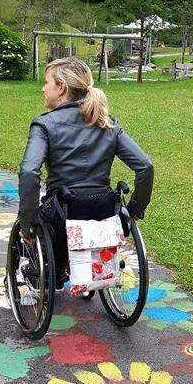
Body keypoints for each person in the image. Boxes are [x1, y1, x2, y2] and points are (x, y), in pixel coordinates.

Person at [18, 57, 154, 289]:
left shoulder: (45, 125)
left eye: (46, 82)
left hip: (62, 213)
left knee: (33, 221)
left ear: (61, 88)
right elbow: (145, 166)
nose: (43, 88)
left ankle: (46, 268)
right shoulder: (107, 124)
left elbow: (30, 173)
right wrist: (134, 210)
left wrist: (27, 222)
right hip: (104, 210)